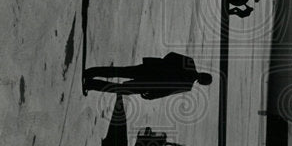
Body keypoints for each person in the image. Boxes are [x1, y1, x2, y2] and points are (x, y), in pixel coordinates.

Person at [82, 52, 212, 98]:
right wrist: (152, 95)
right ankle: (91, 82)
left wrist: (161, 65)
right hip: (148, 82)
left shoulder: (189, 63)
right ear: (201, 82)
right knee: (120, 85)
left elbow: (171, 56)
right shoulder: (187, 86)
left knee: (120, 72)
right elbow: (167, 91)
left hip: (148, 73)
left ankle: (90, 75)